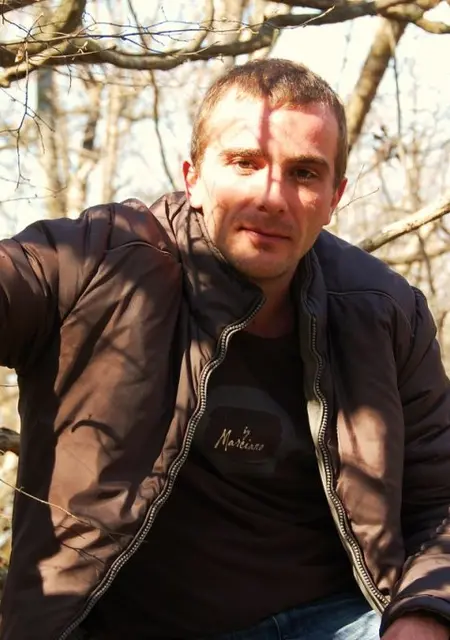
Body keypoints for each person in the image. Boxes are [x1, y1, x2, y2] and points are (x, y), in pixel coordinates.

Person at [0, 58, 450, 640]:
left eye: (304, 173)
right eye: (245, 162)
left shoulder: (384, 312)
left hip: (340, 621)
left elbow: (440, 501)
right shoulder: (95, 263)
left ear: (335, 196)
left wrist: (424, 616)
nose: (272, 196)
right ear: (193, 177)